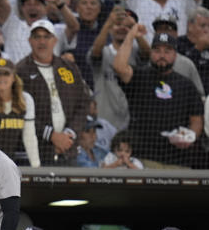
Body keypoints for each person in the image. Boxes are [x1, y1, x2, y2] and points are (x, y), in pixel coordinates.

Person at [113, 28, 204, 168]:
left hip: (179, 161)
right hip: (144, 159)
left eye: (167, 51)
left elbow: (197, 120)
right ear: (150, 53)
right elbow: (119, 67)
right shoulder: (139, 76)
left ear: (175, 55)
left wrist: (190, 137)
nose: (162, 55)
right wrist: (130, 36)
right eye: (157, 50)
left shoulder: (186, 85)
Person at [17, 19, 91, 166]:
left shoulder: (69, 67)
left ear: (55, 40)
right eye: (37, 37)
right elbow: (19, 111)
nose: (42, 42)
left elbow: (83, 103)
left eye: (46, 37)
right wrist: (51, 135)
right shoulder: (20, 71)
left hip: (68, 150)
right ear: (30, 41)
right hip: (36, 154)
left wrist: (69, 134)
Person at [0, 58, 40, 167]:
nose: (2, 78)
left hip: (13, 160)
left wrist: (36, 167)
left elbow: (29, 137)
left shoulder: (26, 99)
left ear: (14, 77)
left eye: (6, 74)